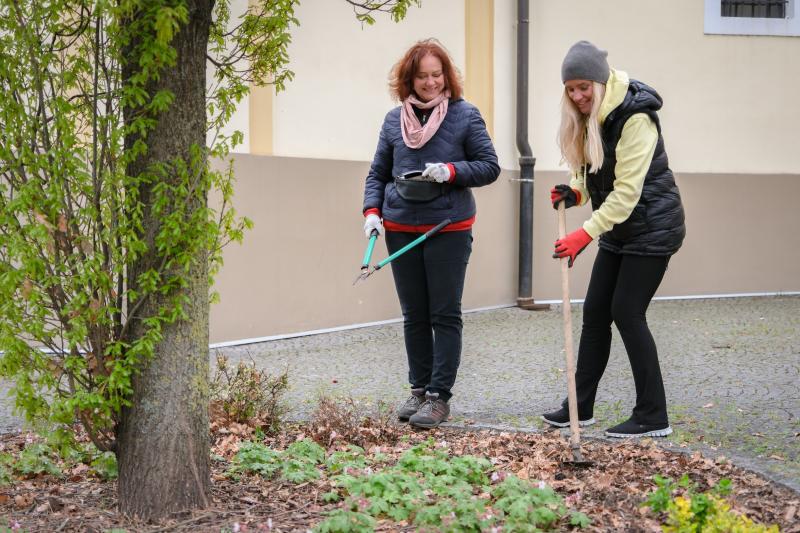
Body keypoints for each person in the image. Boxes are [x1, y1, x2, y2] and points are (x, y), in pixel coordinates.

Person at [542, 41, 685, 438]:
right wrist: (575, 192)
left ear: (600, 83)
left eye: (584, 86)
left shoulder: (636, 117)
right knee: (596, 313)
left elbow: (626, 193)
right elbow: (590, 171)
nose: (577, 95)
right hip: (620, 229)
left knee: (627, 312)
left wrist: (583, 235)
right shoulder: (590, 117)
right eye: (570, 88)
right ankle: (579, 407)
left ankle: (653, 416)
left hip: (653, 227)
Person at [361, 38, 500, 429]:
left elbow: (489, 166)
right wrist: (372, 212)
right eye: (422, 76)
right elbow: (378, 173)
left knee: (444, 313)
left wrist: (452, 171)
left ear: (447, 77)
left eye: (436, 75)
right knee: (414, 314)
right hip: (401, 227)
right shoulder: (394, 121)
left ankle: (440, 397)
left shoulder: (465, 115)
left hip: (447, 227)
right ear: (409, 79)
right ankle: (419, 390)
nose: (430, 83)